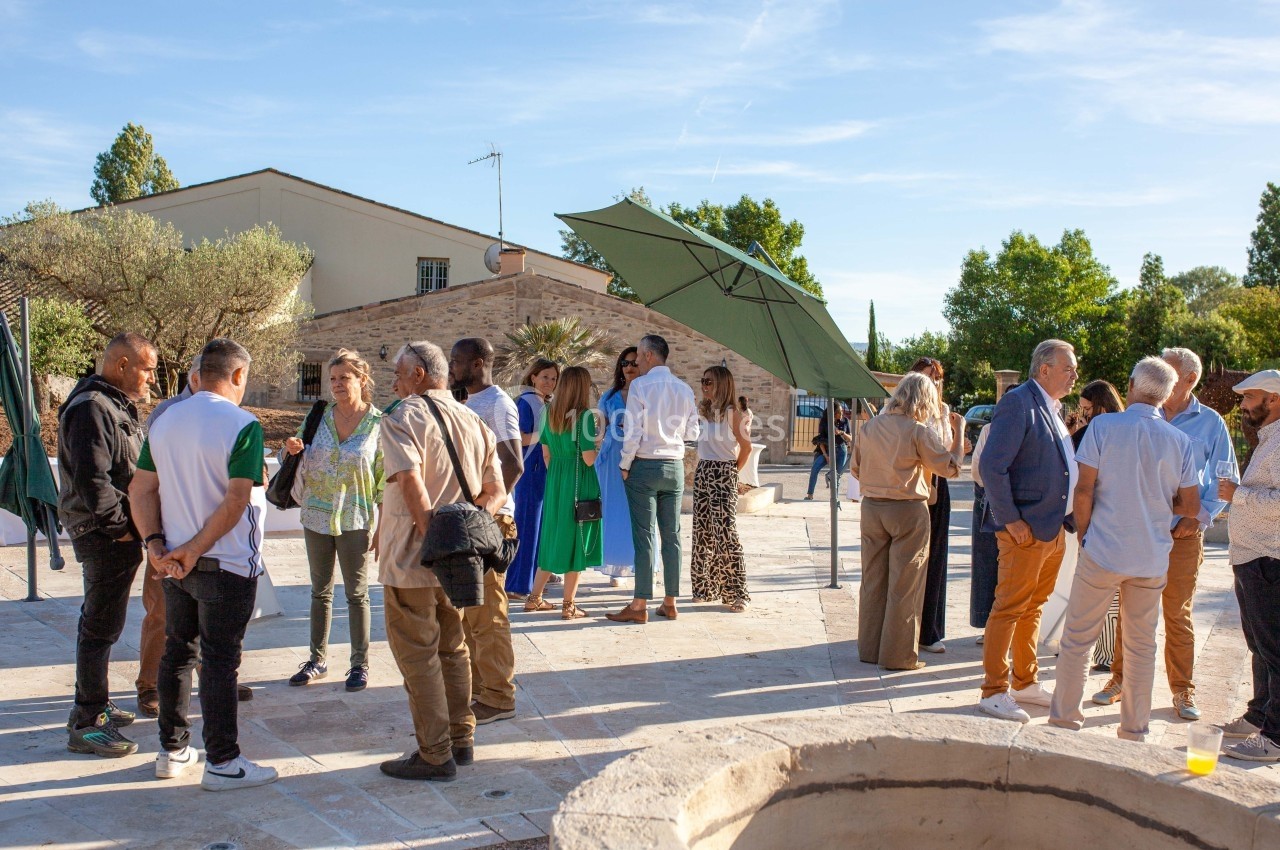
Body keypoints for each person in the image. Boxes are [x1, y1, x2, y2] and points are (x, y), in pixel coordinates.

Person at [130, 338, 278, 789]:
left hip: (173, 562)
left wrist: (156, 547)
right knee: (218, 662)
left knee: (178, 651)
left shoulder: (165, 420)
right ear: (237, 376)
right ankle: (223, 761)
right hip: (226, 563)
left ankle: (172, 752)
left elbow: (140, 490)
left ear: (198, 374)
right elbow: (237, 502)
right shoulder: (243, 425)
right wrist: (193, 549)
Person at [1049, 357, 1199, 743]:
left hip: (1103, 549)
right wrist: (1159, 502)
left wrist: (1085, 535)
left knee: (1078, 639)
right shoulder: (1179, 440)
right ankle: (1134, 729)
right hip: (1149, 556)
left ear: (1132, 385)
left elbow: (1083, 490)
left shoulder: (1102, 426)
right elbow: (1192, 506)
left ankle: (1065, 721)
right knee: (1141, 646)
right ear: (1165, 396)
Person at [376, 341, 504, 782]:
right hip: (460, 563)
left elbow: (411, 484)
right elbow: (496, 490)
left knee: (418, 655)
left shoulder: (401, 417)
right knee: (454, 647)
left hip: (413, 556)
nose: (393, 381)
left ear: (417, 374)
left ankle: (434, 753)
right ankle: (461, 738)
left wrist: (434, 534)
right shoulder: (475, 422)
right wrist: (465, 530)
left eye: (397, 372)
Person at [1092, 349, 1236, 721]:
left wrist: (1200, 517)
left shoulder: (1212, 423)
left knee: (1177, 614)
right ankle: (1118, 680)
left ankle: (1183, 690)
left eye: (1167, 372)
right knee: (1130, 611)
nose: (1156, 376)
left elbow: (1226, 479)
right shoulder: (1136, 418)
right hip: (1137, 533)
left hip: (1183, 537)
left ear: (1189, 380)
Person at [59, 333, 158, 757]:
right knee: (100, 627)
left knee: (102, 623)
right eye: (147, 368)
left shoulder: (107, 404)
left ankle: (93, 703)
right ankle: (88, 721)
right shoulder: (91, 409)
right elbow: (93, 478)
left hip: (113, 532)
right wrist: (120, 527)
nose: (152, 378)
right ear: (120, 365)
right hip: (103, 535)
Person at [976, 339, 1078, 723]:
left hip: (1052, 530)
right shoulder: (1018, 403)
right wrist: (1012, 519)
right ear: (1044, 369)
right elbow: (992, 466)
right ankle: (993, 691)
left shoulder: (1051, 407)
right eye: (1067, 368)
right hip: (1025, 531)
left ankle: (1024, 681)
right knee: (1009, 608)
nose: (1074, 375)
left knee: (1033, 608)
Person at [281, 349, 384, 692]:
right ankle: (317, 660)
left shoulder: (378, 424)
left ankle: (359, 665)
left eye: (345, 378)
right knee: (319, 592)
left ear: (362, 380)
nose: (338, 385)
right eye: (333, 379)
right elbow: (290, 452)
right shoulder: (318, 416)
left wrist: (383, 527)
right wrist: (291, 448)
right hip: (315, 514)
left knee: (357, 594)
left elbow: (384, 479)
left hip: (356, 519)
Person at [852, 373, 964, 669]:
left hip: (872, 508)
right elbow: (950, 468)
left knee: (873, 581)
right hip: (908, 510)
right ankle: (899, 656)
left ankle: (869, 649)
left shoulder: (871, 426)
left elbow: (855, 469)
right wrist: (960, 431)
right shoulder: (917, 431)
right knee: (906, 584)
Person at [450, 337, 523, 726]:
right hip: (471, 519)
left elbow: (514, 463)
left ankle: (499, 697)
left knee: (489, 613)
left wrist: (486, 511)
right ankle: (482, 690)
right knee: (470, 613)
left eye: (457, 361)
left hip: (489, 522)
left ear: (477, 363)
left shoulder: (498, 403)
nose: (451, 367)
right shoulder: (466, 402)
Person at [607, 334, 699, 624]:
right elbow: (693, 433)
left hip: (644, 466)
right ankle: (670, 602)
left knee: (644, 535)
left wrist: (624, 464)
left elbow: (632, 431)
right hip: (674, 466)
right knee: (672, 535)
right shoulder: (684, 389)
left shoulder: (640, 386)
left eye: (639, 355)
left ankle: (639, 604)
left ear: (648, 355)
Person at [1217, 369, 1280, 761]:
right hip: (1252, 558)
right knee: (1259, 646)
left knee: (1275, 650)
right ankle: (1260, 716)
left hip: (1268, 561)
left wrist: (1239, 495)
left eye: (1249, 397)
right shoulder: (1268, 440)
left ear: (1273, 399)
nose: (1242, 405)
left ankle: (1274, 738)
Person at [525, 366, 602, 619]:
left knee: (552, 536)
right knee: (577, 539)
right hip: (579, 480)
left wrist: (558, 472)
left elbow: (546, 453)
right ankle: (569, 605)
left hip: (556, 478)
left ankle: (534, 597)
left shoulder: (548, 411)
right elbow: (589, 459)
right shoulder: (585, 417)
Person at [1066, 380, 1125, 672]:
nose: (1084, 413)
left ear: (1100, 405)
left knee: (1095, 591)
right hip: (1122, 520)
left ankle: (1103, 653)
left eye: (1088, 408)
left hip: (1097, 519)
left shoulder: (1096, 431)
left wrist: (1082, 530)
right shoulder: (1127, 427)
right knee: (1116, 593)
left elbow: (1079, 482)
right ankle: (1111, 652)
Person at [691, 366, 753, 612]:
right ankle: (705, 588)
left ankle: (739, 593)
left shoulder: (732, 414)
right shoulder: (704, 411)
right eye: (703, 380)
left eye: (709, 381)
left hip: (723, 471)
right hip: (704, 471)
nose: (704, 385)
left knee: (726, 533)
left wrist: (731, 474)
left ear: (722, 385)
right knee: (703, 532)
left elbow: (746, 448)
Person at [908, 356, 956, 655]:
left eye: (936, 378)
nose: (932, 383)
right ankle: (903, 628)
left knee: (935, 557)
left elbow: (947, 453)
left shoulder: (943, 412)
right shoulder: (904, 412)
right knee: (908, 560)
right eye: (926, 377)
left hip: (937, 485)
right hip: (911, 486)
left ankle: (929, 630)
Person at [506, 358, 558, 599]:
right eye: (545, 376)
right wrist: (550, 434)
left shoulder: (544, 403)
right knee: (527, 526)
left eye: (554, 378)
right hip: (530, 469)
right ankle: (517, 583)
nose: (550, 382)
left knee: (539, 526)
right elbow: (521, 437)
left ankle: (535, 579)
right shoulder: (526, 403)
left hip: (544, 470)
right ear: (533, 377)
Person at [597, 347, 639, 585]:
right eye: (625, 363)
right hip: (611, 457)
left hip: (639, 457)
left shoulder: (647, 393)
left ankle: (640, 564)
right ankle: (616, 566)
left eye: (634, 363)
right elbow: (598, 431)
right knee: (613, 512)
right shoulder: (609, 395)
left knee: (636, 512)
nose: (629, 367)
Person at [804, 402, 851, 500]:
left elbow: (850, 438)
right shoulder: (825, 422)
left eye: (842, 411)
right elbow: (820, 440)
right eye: (839, 412)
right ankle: (810, 494)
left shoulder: (845, 421)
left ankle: (834, 498)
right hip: (827, 450)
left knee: (837, 476)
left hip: (841, 450)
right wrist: (825, 455)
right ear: (833, 413)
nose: (841, 414)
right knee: (815, 468)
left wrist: (841, 432)